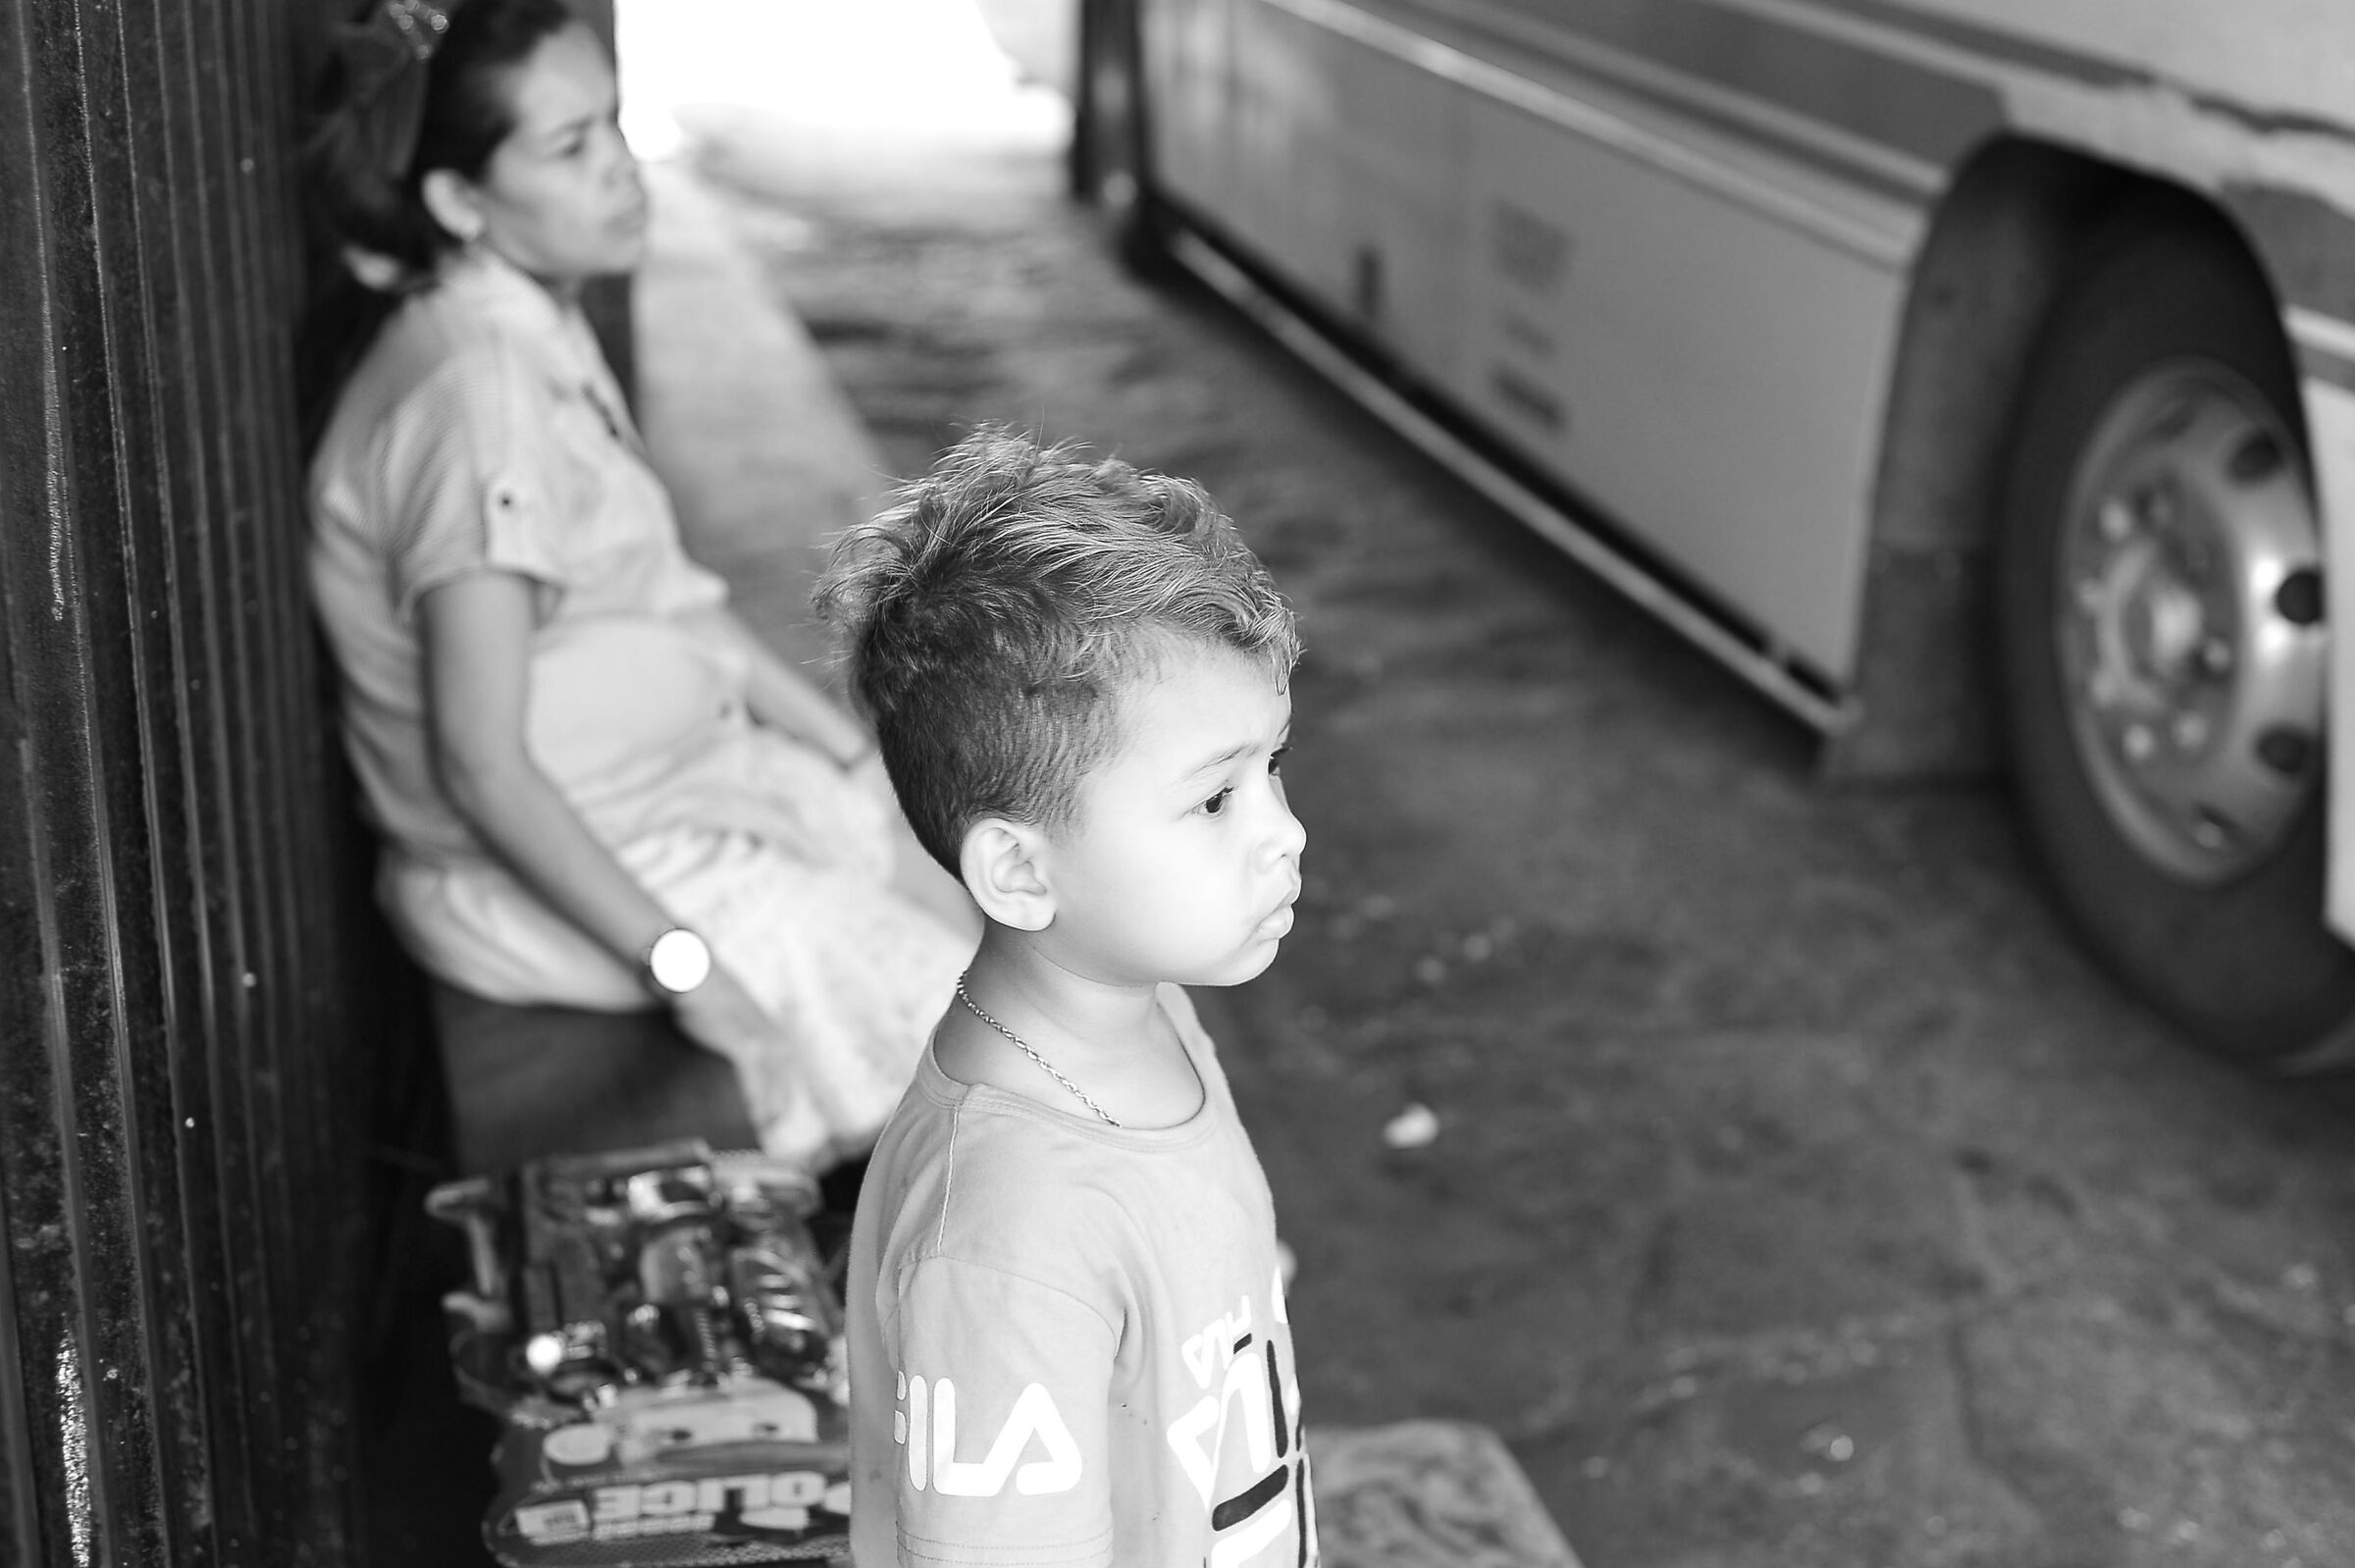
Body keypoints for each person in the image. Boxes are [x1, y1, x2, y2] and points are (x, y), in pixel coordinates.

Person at [298, 0, 973, 1171]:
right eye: (570, 149)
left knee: (979, 879)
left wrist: (857, 752)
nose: (621, 171)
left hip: (678, 796)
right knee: (990, 1045)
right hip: (584, 873)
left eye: (611, 125)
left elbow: (674, 602)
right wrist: (685, 966)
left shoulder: (524, 332)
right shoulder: (480, 413)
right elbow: (482, 766)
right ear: (462, 203)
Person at [816, 430, 1320, 1568]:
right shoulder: (1007, 1232)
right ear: (1022, 872)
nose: (1284, 833)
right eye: (1212, 801)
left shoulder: (1149, 1012)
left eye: (1272, 765)